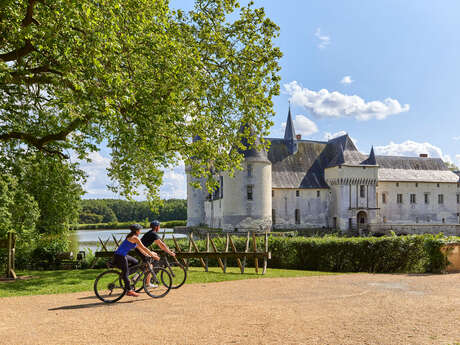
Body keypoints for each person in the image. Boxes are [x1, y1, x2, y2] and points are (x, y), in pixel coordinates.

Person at [113, 224, 159, 297]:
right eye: (140, 230)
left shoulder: (132, 237)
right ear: (137, 231)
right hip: (120, 256)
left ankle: (125, 275)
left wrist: (148, 255)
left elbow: (141, 249)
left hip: (122, 255)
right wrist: (153, 255)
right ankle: (129, 291)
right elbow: (144, 248)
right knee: (125, 272)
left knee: (136, 263)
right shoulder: (134, 238)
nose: (140, 231)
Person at [135, 220, 176, 286]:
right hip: (141, 250)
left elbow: (161, 244)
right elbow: (161, 245)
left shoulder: (151, 232)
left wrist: (167, 249)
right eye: (159, 226)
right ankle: (146, 282)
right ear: (156, 227)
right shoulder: (153, 234)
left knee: (155, 256)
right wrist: (170, 252)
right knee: (150, 266)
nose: (160, 227)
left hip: (141, 249)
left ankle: (139, 275)